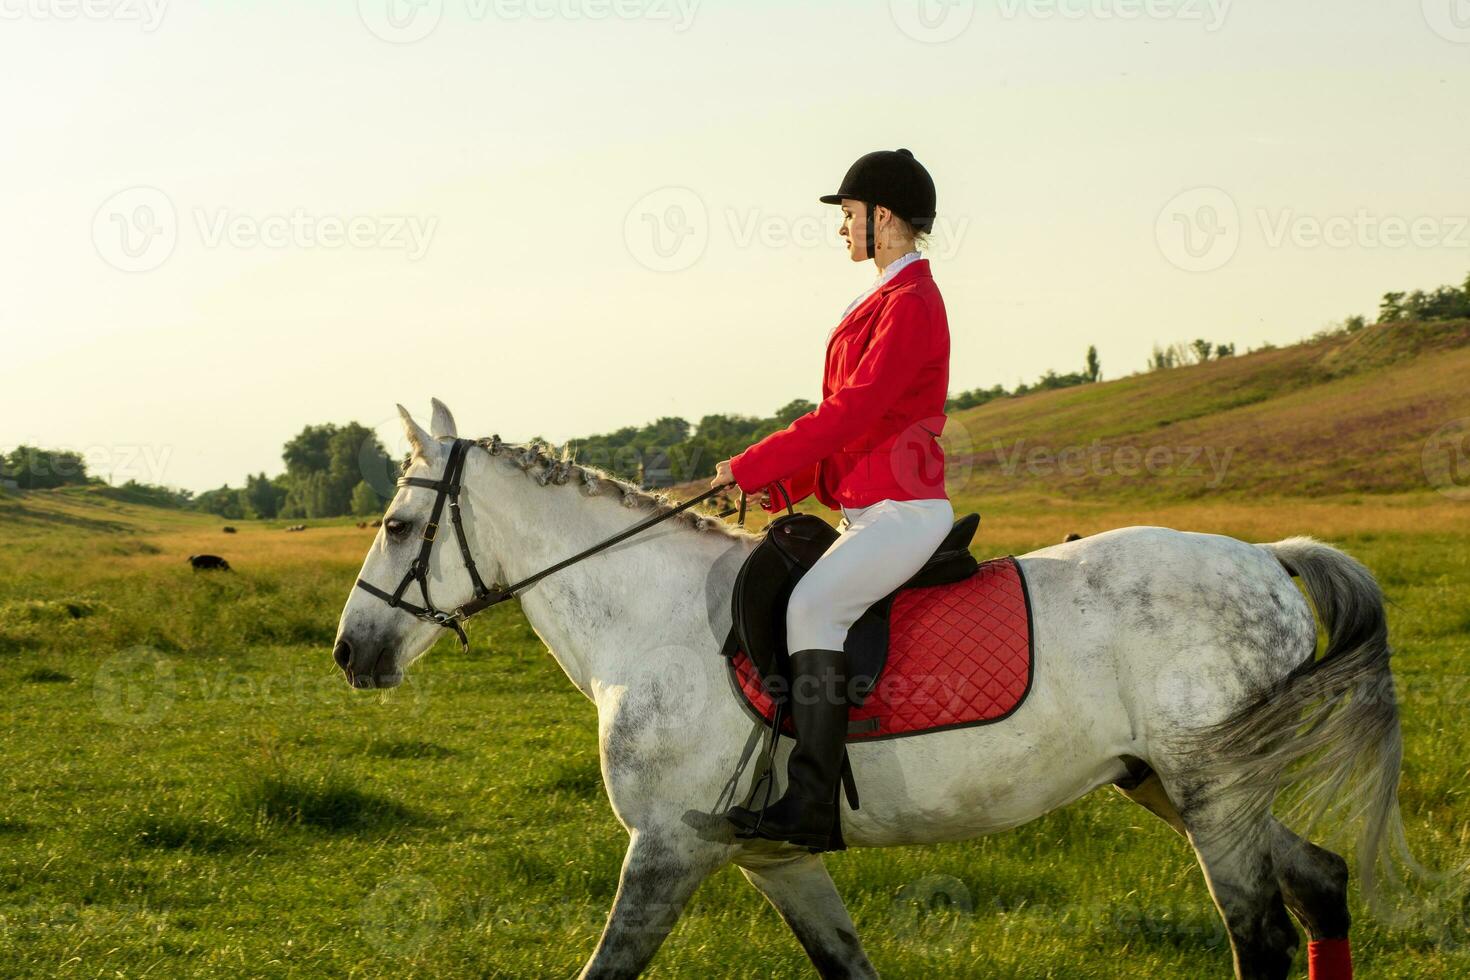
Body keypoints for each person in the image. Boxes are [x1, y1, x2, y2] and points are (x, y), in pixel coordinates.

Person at [710, 148, 954, 849]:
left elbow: (851, 411)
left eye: (848, 215)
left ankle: (813, 803)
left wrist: (754, 464)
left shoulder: (910, 304)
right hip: (871, 508)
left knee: (814, 605)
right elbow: (851, 429)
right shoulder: (882, 298)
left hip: (905, 511)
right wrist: (775, 485)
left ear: (882, 217)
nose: (841, 228)